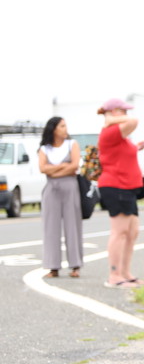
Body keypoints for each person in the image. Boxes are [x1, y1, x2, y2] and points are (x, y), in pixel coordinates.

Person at [97, 98, 144, 288]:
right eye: (123, 111)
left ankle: (125, 272)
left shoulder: (121, 136)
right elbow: (134, 121)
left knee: (132, 231)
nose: (126, 114)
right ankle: (114, 275)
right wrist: (110, 119)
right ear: (114, 112)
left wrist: (136, 147)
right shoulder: (110, 131)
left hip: (128, 187)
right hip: (116, 186)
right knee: (120, 232)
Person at [38, 116, 84, 278]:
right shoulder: (45, 149)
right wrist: (64, 166)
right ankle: (53, 267)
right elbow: (42, 168)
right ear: (54, 129)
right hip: (51, 189)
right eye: (62, 126)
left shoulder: (72, 144)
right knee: (51, 227)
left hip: (70, 187)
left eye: (65, 126)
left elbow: (75, 165)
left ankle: (75, 265)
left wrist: (55, 170)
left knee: (73, 225)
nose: (65, 129)